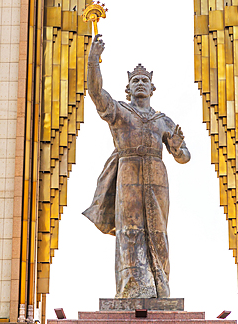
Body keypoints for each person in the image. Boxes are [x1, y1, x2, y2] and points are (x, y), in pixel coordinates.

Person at [83, 35, 191, 298]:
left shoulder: (162, 120)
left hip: (157, 174)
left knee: (158, 232)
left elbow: (184, 157)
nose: (140, 83)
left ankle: (160, 289)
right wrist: (93, 62)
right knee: (130, 231)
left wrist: (177, 146)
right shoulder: (120, 111)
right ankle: (132, 290)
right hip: (128, 170)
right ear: (128, 89)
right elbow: (96, 94)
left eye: (145, 80)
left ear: (152, 88)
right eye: (135, 81)